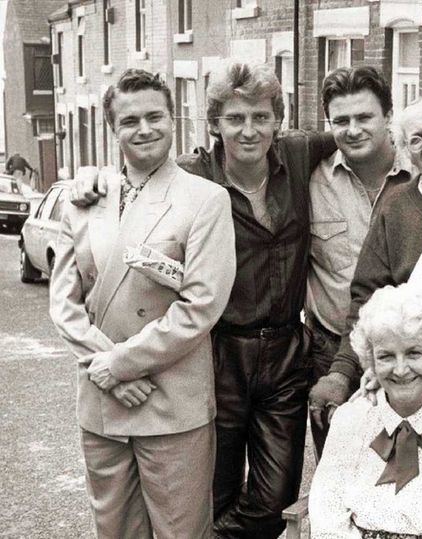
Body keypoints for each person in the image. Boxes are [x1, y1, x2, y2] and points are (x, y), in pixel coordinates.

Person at [48, 68, 236, 538]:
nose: (144, 129)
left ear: (174, 120)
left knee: (181, 533)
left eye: (155, 116)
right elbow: (64, 304)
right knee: (114, 531)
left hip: (170, 401)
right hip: (103, 402)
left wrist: (124, 364)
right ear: (114, 130)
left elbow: (201, 304)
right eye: (130, 121)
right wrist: (106, 369)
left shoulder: (205, 200)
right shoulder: (84, 200)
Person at [176, 60, 334, 538]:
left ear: (277, 119)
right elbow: (134, 182)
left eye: (261, 117)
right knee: (213, 492)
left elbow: (364, 140)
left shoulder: (299, 154)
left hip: (286, 356)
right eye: (235, 119)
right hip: (216, 354)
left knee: (274, 501)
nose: (250, 130)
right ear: (214, 124)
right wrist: (92, 185)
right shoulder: (192, 176)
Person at [310, 95, 422, 420]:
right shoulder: (397, 206)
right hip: (406, 382)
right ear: (407, 152)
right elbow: (366, 298)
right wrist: (342, 371)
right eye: (415, 139)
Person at [309, 284, 422, 538]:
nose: (400, 369)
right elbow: (327, 522)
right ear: (371, 360)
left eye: (413, 353)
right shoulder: (350, 420)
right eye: (386, 356)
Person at [306, 66, 412, 458]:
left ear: (388, 116)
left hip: (409, 354)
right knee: (337, 471)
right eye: (341, 120)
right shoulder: (311, 180)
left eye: (364, 117)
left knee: (403, 476)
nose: (353, 130)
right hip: (330, 349)